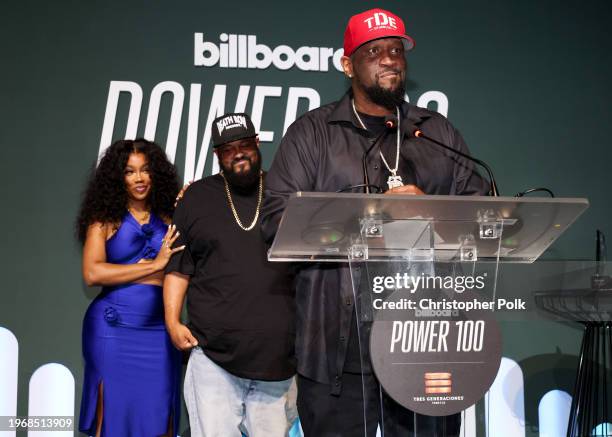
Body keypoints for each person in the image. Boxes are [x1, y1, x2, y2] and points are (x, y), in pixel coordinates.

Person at [261, 8, 490, 437]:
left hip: (426, 339)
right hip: (337, 349)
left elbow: (483, 220)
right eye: (374, 51)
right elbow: (276, 220)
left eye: (396, 49)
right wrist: (373, 213)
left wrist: (431, 210)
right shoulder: (313, 134)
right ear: (347, 64)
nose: (390, 59)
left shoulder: (435, 133)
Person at [163, 112, 297, 437]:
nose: (237, 153)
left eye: (244, 145)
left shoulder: (285, 196)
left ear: (257, 143)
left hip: (278, 361)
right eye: (227, 149)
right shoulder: (196, 198)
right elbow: (178, 268)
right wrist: (171, 319)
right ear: (217, 155)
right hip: (213, 357)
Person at [76, 138, 184, 437]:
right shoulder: (104, 220)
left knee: (160, 418)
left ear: (156, 174)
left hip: (159, 331)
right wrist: (153, 265)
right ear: (117, 178)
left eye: (145, 170)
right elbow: (92, 272)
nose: (139, 178)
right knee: (111, 420)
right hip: (113, 329)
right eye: (129, 171)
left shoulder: (170, 216)